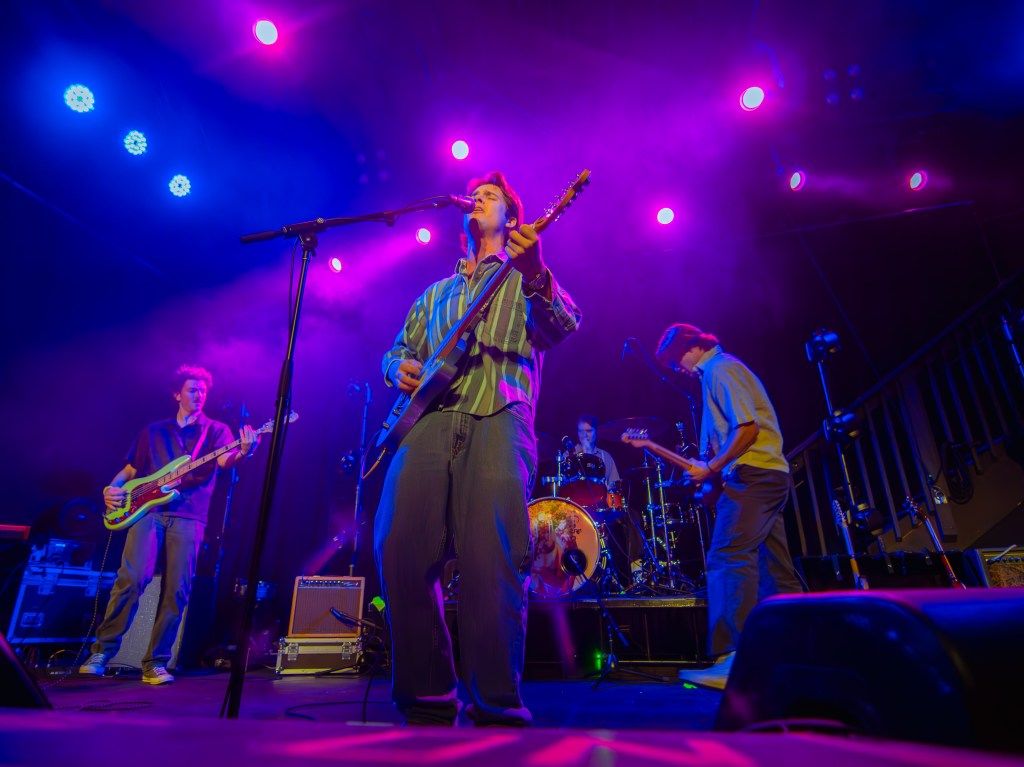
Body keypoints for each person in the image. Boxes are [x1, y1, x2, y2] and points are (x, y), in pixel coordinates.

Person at [374, 171, 581, 726]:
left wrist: (536, 273)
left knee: (494, 561)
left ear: (512, 219)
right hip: (427, 422)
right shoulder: (434, 294)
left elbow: (563, 325)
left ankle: (496, 703)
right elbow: (397, 349)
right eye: (477, 195)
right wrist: (399, 368)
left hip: (500, 416)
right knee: (398, 549)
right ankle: (428, 693)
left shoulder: (523, 275)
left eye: (492, 196)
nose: (479, 200)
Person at [79, 364, 259, 684]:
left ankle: (156, 662)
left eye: (203, 390)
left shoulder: (216, 430)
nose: (199, 395)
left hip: (190, 514)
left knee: (177, 589)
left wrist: (244, 451)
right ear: (177, 394)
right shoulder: (153, 430)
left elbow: (224, 460)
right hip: (147, 511)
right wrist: (111, 489)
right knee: (132, 579)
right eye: (193, 389)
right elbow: (131, 471)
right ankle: (101, 652)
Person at [654, 324, 803, 689]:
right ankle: (798, 654)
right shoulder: (720, 372)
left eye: (675, 362)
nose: (677, 370)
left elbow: (747, 429)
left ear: (691, 347)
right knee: (775, 570)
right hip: (767, 475)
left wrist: (711, 467)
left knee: (727, 557)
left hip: (754, 476)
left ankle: (734, 659)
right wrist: (711, 472)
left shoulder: (721, 369)